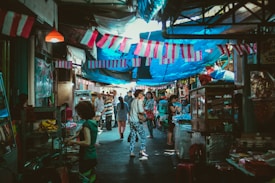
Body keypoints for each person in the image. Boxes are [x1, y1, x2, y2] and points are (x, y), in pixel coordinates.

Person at [66, 101, 98, 183]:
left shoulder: (86, 124)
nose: (78, 114)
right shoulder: (93, 122)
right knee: (91, 179)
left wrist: (73, 142)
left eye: (79, 112)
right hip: (93, 156)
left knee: (85, 180)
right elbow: (80, 133)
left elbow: (87, 142)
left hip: (86, 157)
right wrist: (71, 139)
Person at [129, 89, 148, 160]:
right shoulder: (139, 101)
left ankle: (131, 151)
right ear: (139, 94)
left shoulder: (133, 101)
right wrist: (145, 112)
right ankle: (142, 150)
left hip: (131, 120)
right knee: (143, 135)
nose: (143, 95)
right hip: (137, 121)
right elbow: (140, 111)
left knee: (133, 136)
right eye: (142, 94)